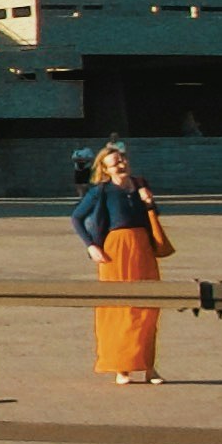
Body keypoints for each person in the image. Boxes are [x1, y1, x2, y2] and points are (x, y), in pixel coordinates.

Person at [72, 139, 174, 384]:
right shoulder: (101, 191)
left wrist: (149, 202)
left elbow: (152, 214)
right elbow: (76, 217)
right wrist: (91, 246)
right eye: (115, 163)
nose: (121, 164)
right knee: (119, 308)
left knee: (148, 308)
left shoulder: (139, 185)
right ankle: (122, 368)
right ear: (105, 169)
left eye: (123, 160)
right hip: (115, 251)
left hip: (142, 249)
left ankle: (149, 367)